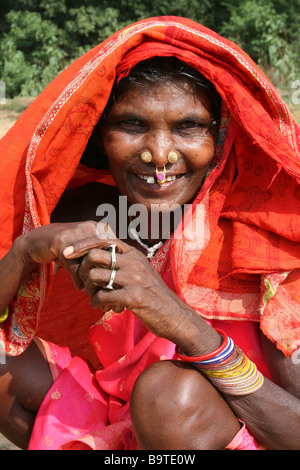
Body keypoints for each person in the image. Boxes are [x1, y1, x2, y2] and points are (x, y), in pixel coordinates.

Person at [0, 16, 300, 451]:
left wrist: (182, 324)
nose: (158, 155)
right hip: (122, 418)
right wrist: (26, 250)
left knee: (168, 397)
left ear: (220, 137)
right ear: (100, 137)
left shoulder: (266, 244)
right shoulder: (90, 216)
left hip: (238, 431)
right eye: (133, 125)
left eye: (187, 127)